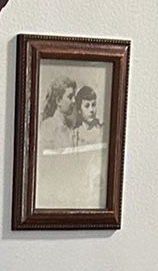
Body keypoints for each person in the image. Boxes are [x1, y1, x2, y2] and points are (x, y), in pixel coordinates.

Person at [36, 72, 107, 210]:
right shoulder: (48, 126)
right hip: (54, 197)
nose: (74, 101)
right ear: (58, 101)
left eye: (74, 97)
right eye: (70, 97)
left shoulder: (72, 131)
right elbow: (44, 168)